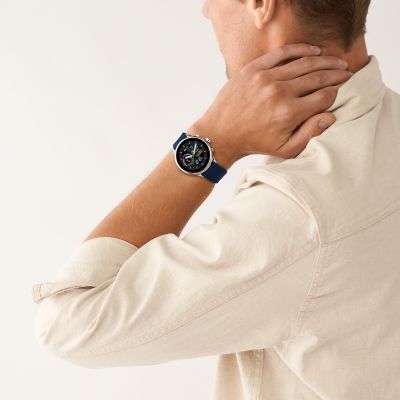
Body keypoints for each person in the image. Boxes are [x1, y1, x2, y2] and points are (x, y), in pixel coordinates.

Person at [32, 1, 400, 399]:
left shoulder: (300, 213)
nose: (206, 10)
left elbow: (69, 321)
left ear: (261, 5)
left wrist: (212, 141)